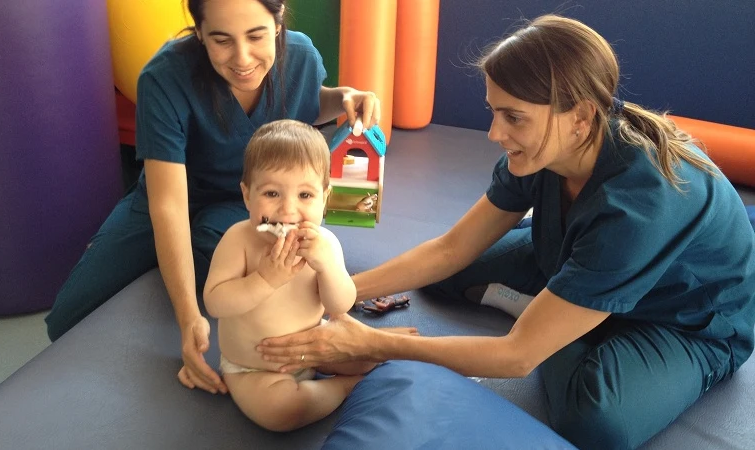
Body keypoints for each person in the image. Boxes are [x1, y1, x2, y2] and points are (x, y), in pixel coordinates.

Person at [256, 14, 755, 450]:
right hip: (580, 256)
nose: (495, 134)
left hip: (684, 320)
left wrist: (369, 344)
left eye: (512, 117)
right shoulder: (544, 150)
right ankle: (568, 301)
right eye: (494, 111)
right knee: (447, 276)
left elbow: (517, 357)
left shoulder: (639, 205)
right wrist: (334, 291)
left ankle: (570, 310)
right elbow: (452, 248)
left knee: (595, 421)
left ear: (580, 118)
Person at [44, 0, 380, 398]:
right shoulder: (165, 77)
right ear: (200, 32)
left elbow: (307, 97)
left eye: (256, 36)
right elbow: (168, 204)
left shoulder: (301, 56)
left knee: (217, 257)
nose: (242, 58)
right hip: (170, 195)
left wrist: (343, 96)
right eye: (221, 40)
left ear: (277, 21)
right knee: (67, 319)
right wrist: (188, 319)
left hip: (246, 201)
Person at [203, 119, 373, 431]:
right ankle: (345, 387)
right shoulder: (239, 240)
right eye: (271, 193)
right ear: (247, 196)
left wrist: (328, 267)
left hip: (314, 348)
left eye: (305, 196)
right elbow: (216, 302)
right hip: (254, 370)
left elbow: (340, 305)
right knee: (282, 410)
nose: (288, 210)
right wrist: (263, 280)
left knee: (368, 354)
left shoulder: (325, 244)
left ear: (325, 198)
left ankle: (356, 372)